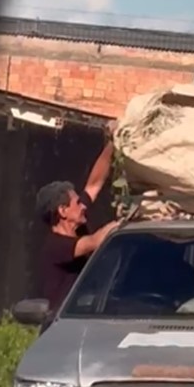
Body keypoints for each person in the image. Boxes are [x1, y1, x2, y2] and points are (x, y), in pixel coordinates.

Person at [34, 126, 120, 311]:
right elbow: (94, 241)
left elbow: (94, 184)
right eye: (77, 203)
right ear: (63, 211)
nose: (83, 206)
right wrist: (125, 221)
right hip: (63, 322)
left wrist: (114, 142)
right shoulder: (55, 246)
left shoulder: (77, 227)